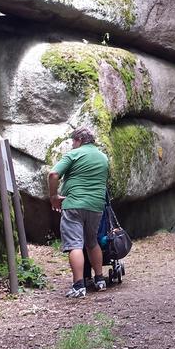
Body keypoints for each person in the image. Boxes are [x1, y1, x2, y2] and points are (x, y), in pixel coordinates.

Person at [49, 128, 109, 298]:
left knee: (75, 245)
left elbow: (53, 174)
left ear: (80, 140)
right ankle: (99, 279)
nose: (72, 144)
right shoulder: (103, 158)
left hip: (74, 205)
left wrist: (53, 196)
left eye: (73, 141)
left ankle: (78, 286)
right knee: (92, 242)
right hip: (96, 206)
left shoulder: (73, 155)